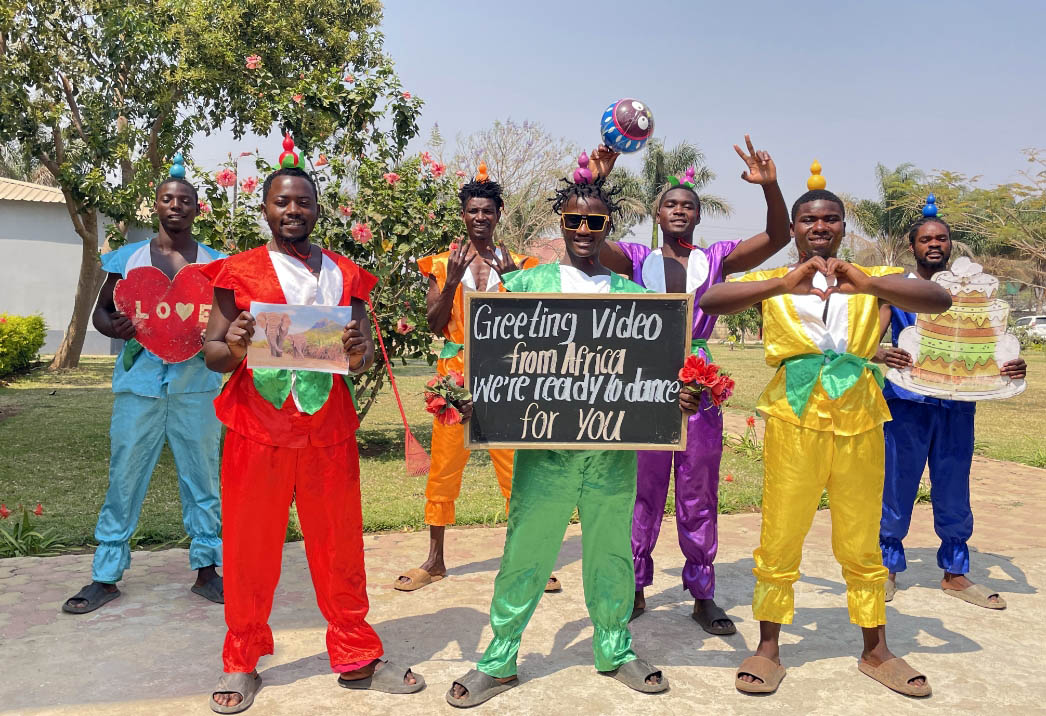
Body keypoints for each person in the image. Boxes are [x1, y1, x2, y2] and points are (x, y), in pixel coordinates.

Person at [699, 178, 952, 697]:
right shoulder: (777, 276)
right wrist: (781, 283)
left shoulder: (876, 277)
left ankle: (875, 649)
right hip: (794, 415)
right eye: (809, 220)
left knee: (860, 537)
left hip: (858, 415)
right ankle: (769, 647)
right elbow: (714, 299)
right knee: (781, 532)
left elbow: (938, 298)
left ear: (842, 227)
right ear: (794, 229)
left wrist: (864, 281)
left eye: (830, 219)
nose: (820, 227)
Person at [202, 163, 423, 713]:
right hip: (259, 430)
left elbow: (364, 354)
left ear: (317, 209)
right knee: (251, 547)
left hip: (327, 432)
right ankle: (242, 658)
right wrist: (232, 341)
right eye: (282, 202)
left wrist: (356, 349)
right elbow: (212, 355)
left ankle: (354, 653)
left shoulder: (345, 274)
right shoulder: (239, 273)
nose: (292, 210)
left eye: (303, 201)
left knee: (339, 546)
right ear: (266, 210)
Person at [446, 170, 672, 708]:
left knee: (611, 551)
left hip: (610, 449)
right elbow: (493, 354)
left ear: (607, 225)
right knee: (526, 551)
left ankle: (615, 649)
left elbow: (655, 373)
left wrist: (677, 396)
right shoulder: (523, 286)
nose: (585, 229)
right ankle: (499, 659)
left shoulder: (633, 295)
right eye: (574, 219)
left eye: (595, 221)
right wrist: (475, 393)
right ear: (562, 222)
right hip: (543, 449)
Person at [592, 135, 790, 633]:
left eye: (689, 205)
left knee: (698, 490)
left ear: (699, 217)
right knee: (643, 490)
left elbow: (778, 237)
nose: (680, 210)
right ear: (657, 215)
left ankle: (702, 593)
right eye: (671, 204)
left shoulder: (717, 258)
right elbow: (589, 235)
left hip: (700, 388)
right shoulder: (636, 259)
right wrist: (596, 177)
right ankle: (634, 586)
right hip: (643, 385)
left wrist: (770, 189)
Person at [63, 167, 225, 615]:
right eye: (168, 198)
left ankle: (207, 570)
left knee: (204, 476)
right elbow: (102, 314)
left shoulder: (215, 263)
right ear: (156, 205)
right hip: (140, 387)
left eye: (185, 199)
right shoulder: (128, 259)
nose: (176, 205)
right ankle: (106, 574)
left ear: (196, 208)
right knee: (125, 476)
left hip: (197, 387)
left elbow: (225, 320)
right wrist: (113, 325)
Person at [395, 170, 545, 592]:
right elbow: (434, 324)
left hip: (504, 381)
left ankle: (527, 560)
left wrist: (516, 283)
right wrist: (454, 282)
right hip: (455, 380)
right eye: (472, 211)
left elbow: (533, 329)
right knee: (444, 468)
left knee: (515, 470)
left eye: (487, 211)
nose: (480, 217)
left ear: (499, 215)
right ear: (463, 216)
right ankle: (436, 560)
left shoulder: (519, 265)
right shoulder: (442, 264)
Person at [876, 205, 1027, 608]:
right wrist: (880, 353)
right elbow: (869, 340)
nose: (934, 245)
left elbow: (993, 342)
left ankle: (955, 572)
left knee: (954, 483)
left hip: (958, 402)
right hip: (907, 400)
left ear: (949, 244)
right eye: (926, 239)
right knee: (898, 482)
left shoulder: (971, 291)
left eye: (940, 238)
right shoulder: (897, 287)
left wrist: (1011, 367)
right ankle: (887, 566)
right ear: (912, 247)